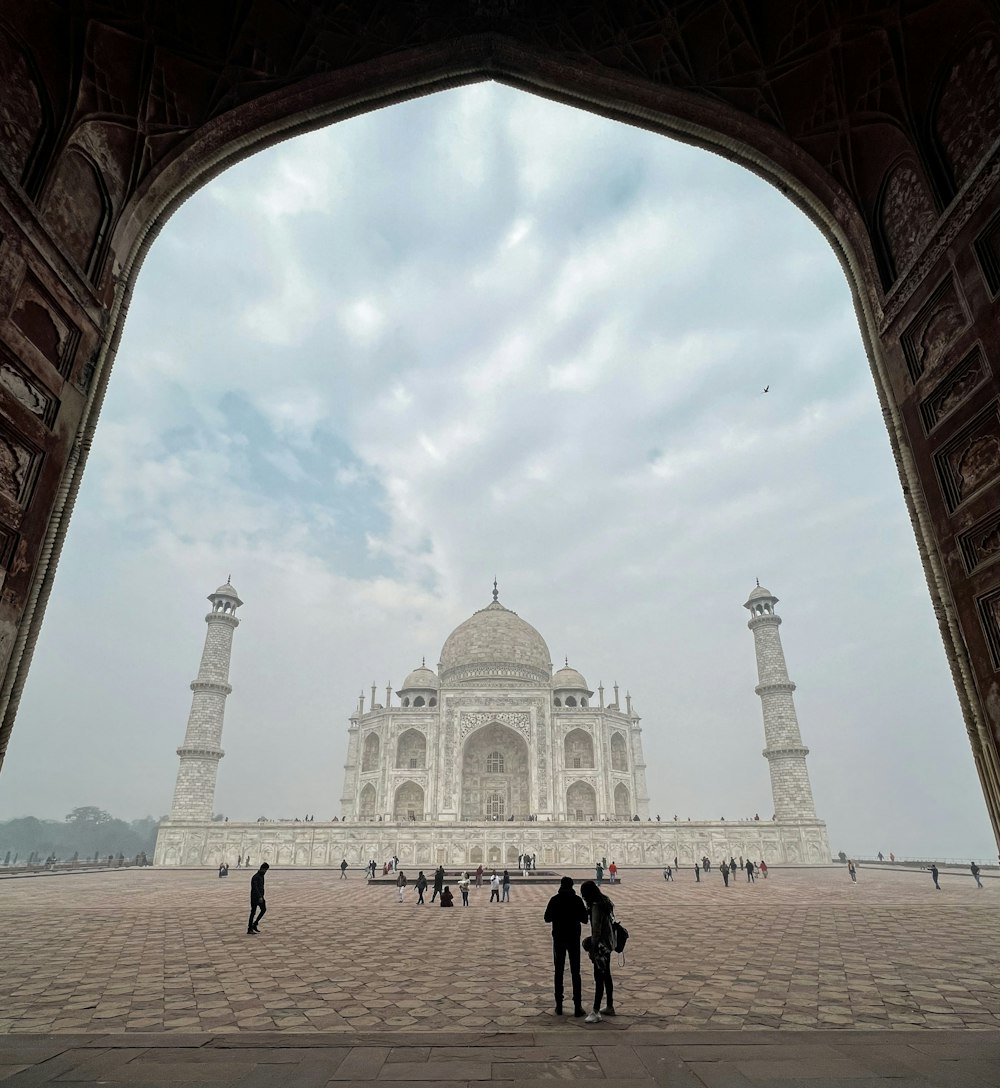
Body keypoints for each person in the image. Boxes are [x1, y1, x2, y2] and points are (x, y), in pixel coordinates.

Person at [544, 876, 588, 1017]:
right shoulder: (577, 900)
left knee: (559, 971)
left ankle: (559, 1005)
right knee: (576, 972)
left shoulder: (555, 900)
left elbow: (547, 918)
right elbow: (584, 919)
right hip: (573, 938)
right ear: (572, 885)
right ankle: (577, 1006)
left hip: (559, 938)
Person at [580, 879, 615, 1023]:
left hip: (601, 946)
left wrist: (592, 950)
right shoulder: (605, 902)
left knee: (599, 977)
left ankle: (595, 1011)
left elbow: (596, 931)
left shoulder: (596, 907)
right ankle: (610, 1006)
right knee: (606, 975)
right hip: (608, 943)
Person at [247, 862, 269, 934]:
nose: (265, 872)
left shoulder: (261, 876)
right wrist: (259, 897)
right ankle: (250, 928)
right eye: (265, 870)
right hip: (255, 897)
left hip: (260, 897)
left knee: (263, 909)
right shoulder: (255, 877)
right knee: (253, 912)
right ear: (262, 869)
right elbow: (255, 888)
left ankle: (255, 924)